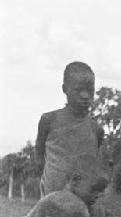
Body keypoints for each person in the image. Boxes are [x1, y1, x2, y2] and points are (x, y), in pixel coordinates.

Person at [35, 61, 104, 195]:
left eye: (90, 91)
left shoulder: (96, 129)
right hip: (52, 197)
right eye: (78, 90)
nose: (85, 96)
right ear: (64, 89)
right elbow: (39, 157)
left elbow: (94, 163)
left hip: (82, 199)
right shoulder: (49, 120)